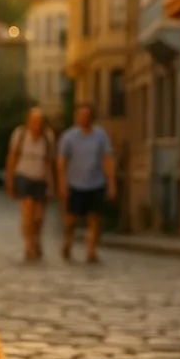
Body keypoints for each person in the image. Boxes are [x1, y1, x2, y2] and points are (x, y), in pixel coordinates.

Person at [57, 103, 116, 263]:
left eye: (87, 115)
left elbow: (107, 159)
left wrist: (111, 183)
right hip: (75, 183)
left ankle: (91, 250)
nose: (84, 118)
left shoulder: (100, 136)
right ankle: (68, 243)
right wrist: (62, 184)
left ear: (92, 117)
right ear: (77, 117)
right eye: (81, 115)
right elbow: (62, 162)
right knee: (71, 220)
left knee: (94, 218)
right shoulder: (68, 137)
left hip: (96, 182)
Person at [5, 106, 56, 261]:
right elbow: (12, 158)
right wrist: (10, 181)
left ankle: (37, 239)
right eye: (34, 120)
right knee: (27, 214)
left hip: (40, 178)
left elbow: (48, 162)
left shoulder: (48, 136)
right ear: (28, 121)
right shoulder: (20, 135)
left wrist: (51, 183)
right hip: (24, 176)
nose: (36, 124)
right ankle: (29, 245)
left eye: (39, 121)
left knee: (39, 217)